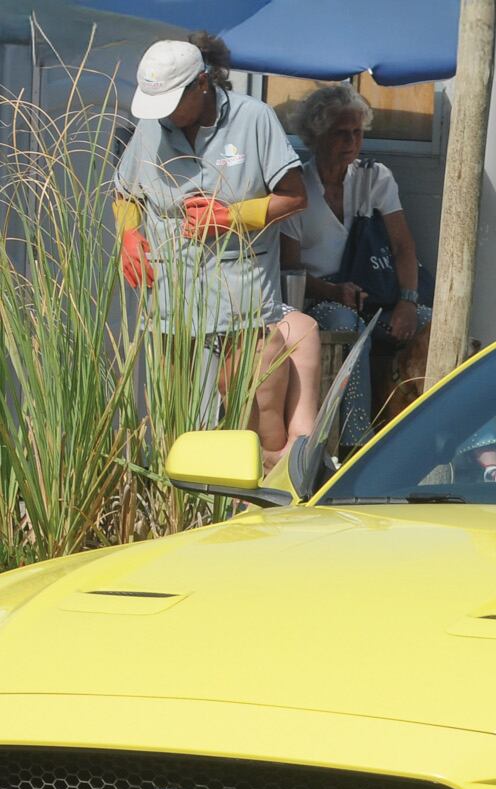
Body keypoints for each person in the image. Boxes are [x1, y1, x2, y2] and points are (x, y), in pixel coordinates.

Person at [115, 32, 314, 468]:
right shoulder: (151, 126)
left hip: (241, 300)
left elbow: (295, 197)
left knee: (255, 416)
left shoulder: (255, 118)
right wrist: (128, 237)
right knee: (182, 423)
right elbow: (126, 193)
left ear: (201, 84)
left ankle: (262, 514)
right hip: (172, 301)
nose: (164, 114)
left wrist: (231, 217)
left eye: (171, 101)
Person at [280, 82, 428, 448]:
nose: (351, 141)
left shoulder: (374, 177)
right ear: (316, 135)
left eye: (357, 133)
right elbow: (289, 267)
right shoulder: (297, 186)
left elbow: (403, 247)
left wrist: (408, 302)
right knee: (348, 324)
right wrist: (333, 290)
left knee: (431, 322)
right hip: (320, 295)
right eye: (340, 133)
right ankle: (355, 442)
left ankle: (441, 439)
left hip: (375, 291)